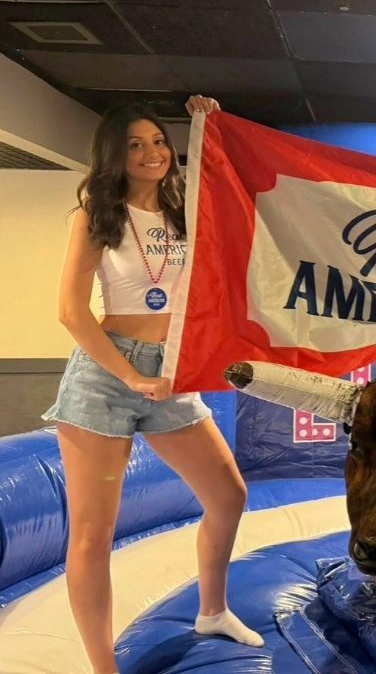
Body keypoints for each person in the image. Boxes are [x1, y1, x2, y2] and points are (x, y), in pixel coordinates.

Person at [43, 95, 261, 674]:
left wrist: (206, 123)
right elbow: (70, 310)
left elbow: (229, 181)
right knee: (93, 535)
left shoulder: (185, 208)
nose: (151, 153)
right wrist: (132, 375)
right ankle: (103, 668)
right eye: (135, 144)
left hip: (170, 372)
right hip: (107, 375)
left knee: (228, 496)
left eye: (159, 141)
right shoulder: (96, 213)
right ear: (114, 155)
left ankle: (212, 610)